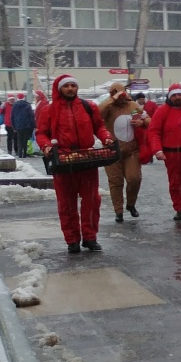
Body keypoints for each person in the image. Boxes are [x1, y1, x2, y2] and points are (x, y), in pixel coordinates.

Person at [35, 74, 115, 253]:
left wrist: (106, 138)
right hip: (63, 162)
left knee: (92, 201)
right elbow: (41, 133)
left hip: (86, 160)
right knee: (66, 203)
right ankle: (72, 240)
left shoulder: (89, 107)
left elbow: (99, 127)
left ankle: (90, 237)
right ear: (59, 89)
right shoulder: (49, 110)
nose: (70, 89)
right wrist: (46, 146)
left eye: (73, 85)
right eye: (66, 86)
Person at [99, 83, 148, 223]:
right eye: (116, 93)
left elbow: (149, 120)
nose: (121, 96)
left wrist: (142, 123)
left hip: (131, 151)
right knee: (116, 182)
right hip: (112, 151)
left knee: (134, 178)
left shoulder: (133, 105)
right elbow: (97, 114)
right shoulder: (107, 107)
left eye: (122, 92)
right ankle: (118, 211)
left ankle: (131, 204)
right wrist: (111, 99)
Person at [148, 84, 181, 221]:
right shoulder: (162, 111)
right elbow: (153, 131)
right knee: (175, 183)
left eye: (179, 94)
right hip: (172, 153)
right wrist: (157, 149)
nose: (177, 97)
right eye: (174, 95)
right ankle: (179, 208)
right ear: (169, 97)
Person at [11, 93, 36, 157]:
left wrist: (14, 127)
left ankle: (19, 154)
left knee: (19, 140)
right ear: (24, 97)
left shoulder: (14, 106)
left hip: (18, 125)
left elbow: (12, 117)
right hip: (27, 126)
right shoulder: (28, 105)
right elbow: (31, 116)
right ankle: (24, 153)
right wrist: (33, 125)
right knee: (25, 140)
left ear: (17, 98)